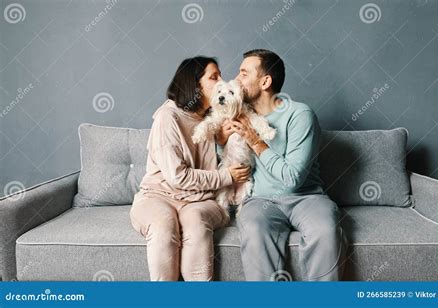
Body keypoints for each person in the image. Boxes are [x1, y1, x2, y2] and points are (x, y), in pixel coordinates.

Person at [217, 49, 348, 281]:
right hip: (260, 200)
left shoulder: (300, 115)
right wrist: (222, 142)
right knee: (254, 230)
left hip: (306, 198)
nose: (236, 79)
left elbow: (293, 178)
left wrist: (255, 141)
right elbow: (232, 161)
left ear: (265, 81)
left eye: (244, 74)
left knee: (325, 231)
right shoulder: (237, 115)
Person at [130, 56, 251, 281]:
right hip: (158, 196)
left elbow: (228, 153)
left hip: (201, 200)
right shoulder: (168, 117)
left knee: (195, 221)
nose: (222, 81)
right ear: (195, 85)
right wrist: (227, 176)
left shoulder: (213, 117)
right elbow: (178, 177)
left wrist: (222, 141)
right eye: (214, 77)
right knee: (164, 226)